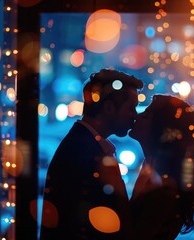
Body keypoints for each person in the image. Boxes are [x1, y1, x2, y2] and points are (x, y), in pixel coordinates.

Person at [40, 68, 143, 239]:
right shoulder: (84, 152)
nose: (135, 116)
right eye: (131, 108)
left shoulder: (84, 145)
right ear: (109, 108)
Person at [129, 94, 194, 240]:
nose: (137, 116)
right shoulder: (151, 168)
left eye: (146, 116)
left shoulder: (164, 186)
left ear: (160, 130)